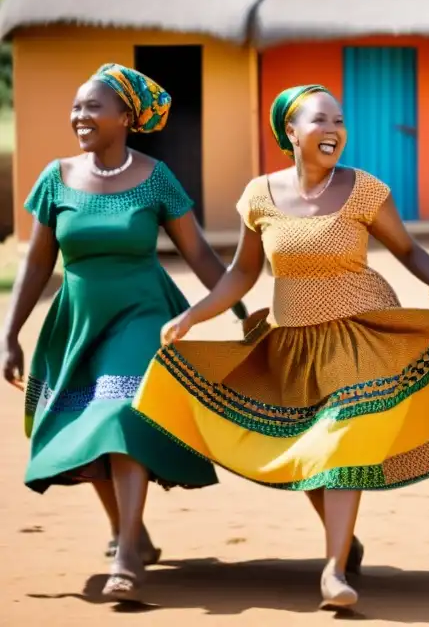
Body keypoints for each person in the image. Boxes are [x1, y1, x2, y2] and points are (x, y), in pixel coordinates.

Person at [134, 84, 429, 610]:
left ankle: (332, 571)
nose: (333, 130)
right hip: (292, 344)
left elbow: (409, 249)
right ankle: (343, 540)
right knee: (307, 449)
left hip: (360, 333)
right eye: (320, 121)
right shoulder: (259, 195)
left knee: (340, 443)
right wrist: (193, 314)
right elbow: (241, 274)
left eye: (339, 121)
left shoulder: (365, 189)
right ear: (291, 133)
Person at [0, 63, 247, 601]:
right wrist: (9, 331)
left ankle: (128, 553)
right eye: (76, 107)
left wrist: (242, 310)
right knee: (89, 428)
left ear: (125, 117)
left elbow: (199, 253)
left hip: (143, 318)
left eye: (92, 107)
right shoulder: (56, 177)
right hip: (77, 323)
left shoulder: (156, 177)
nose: (79, 116)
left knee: (118, 413)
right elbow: (38, 263)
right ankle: (128, 529)